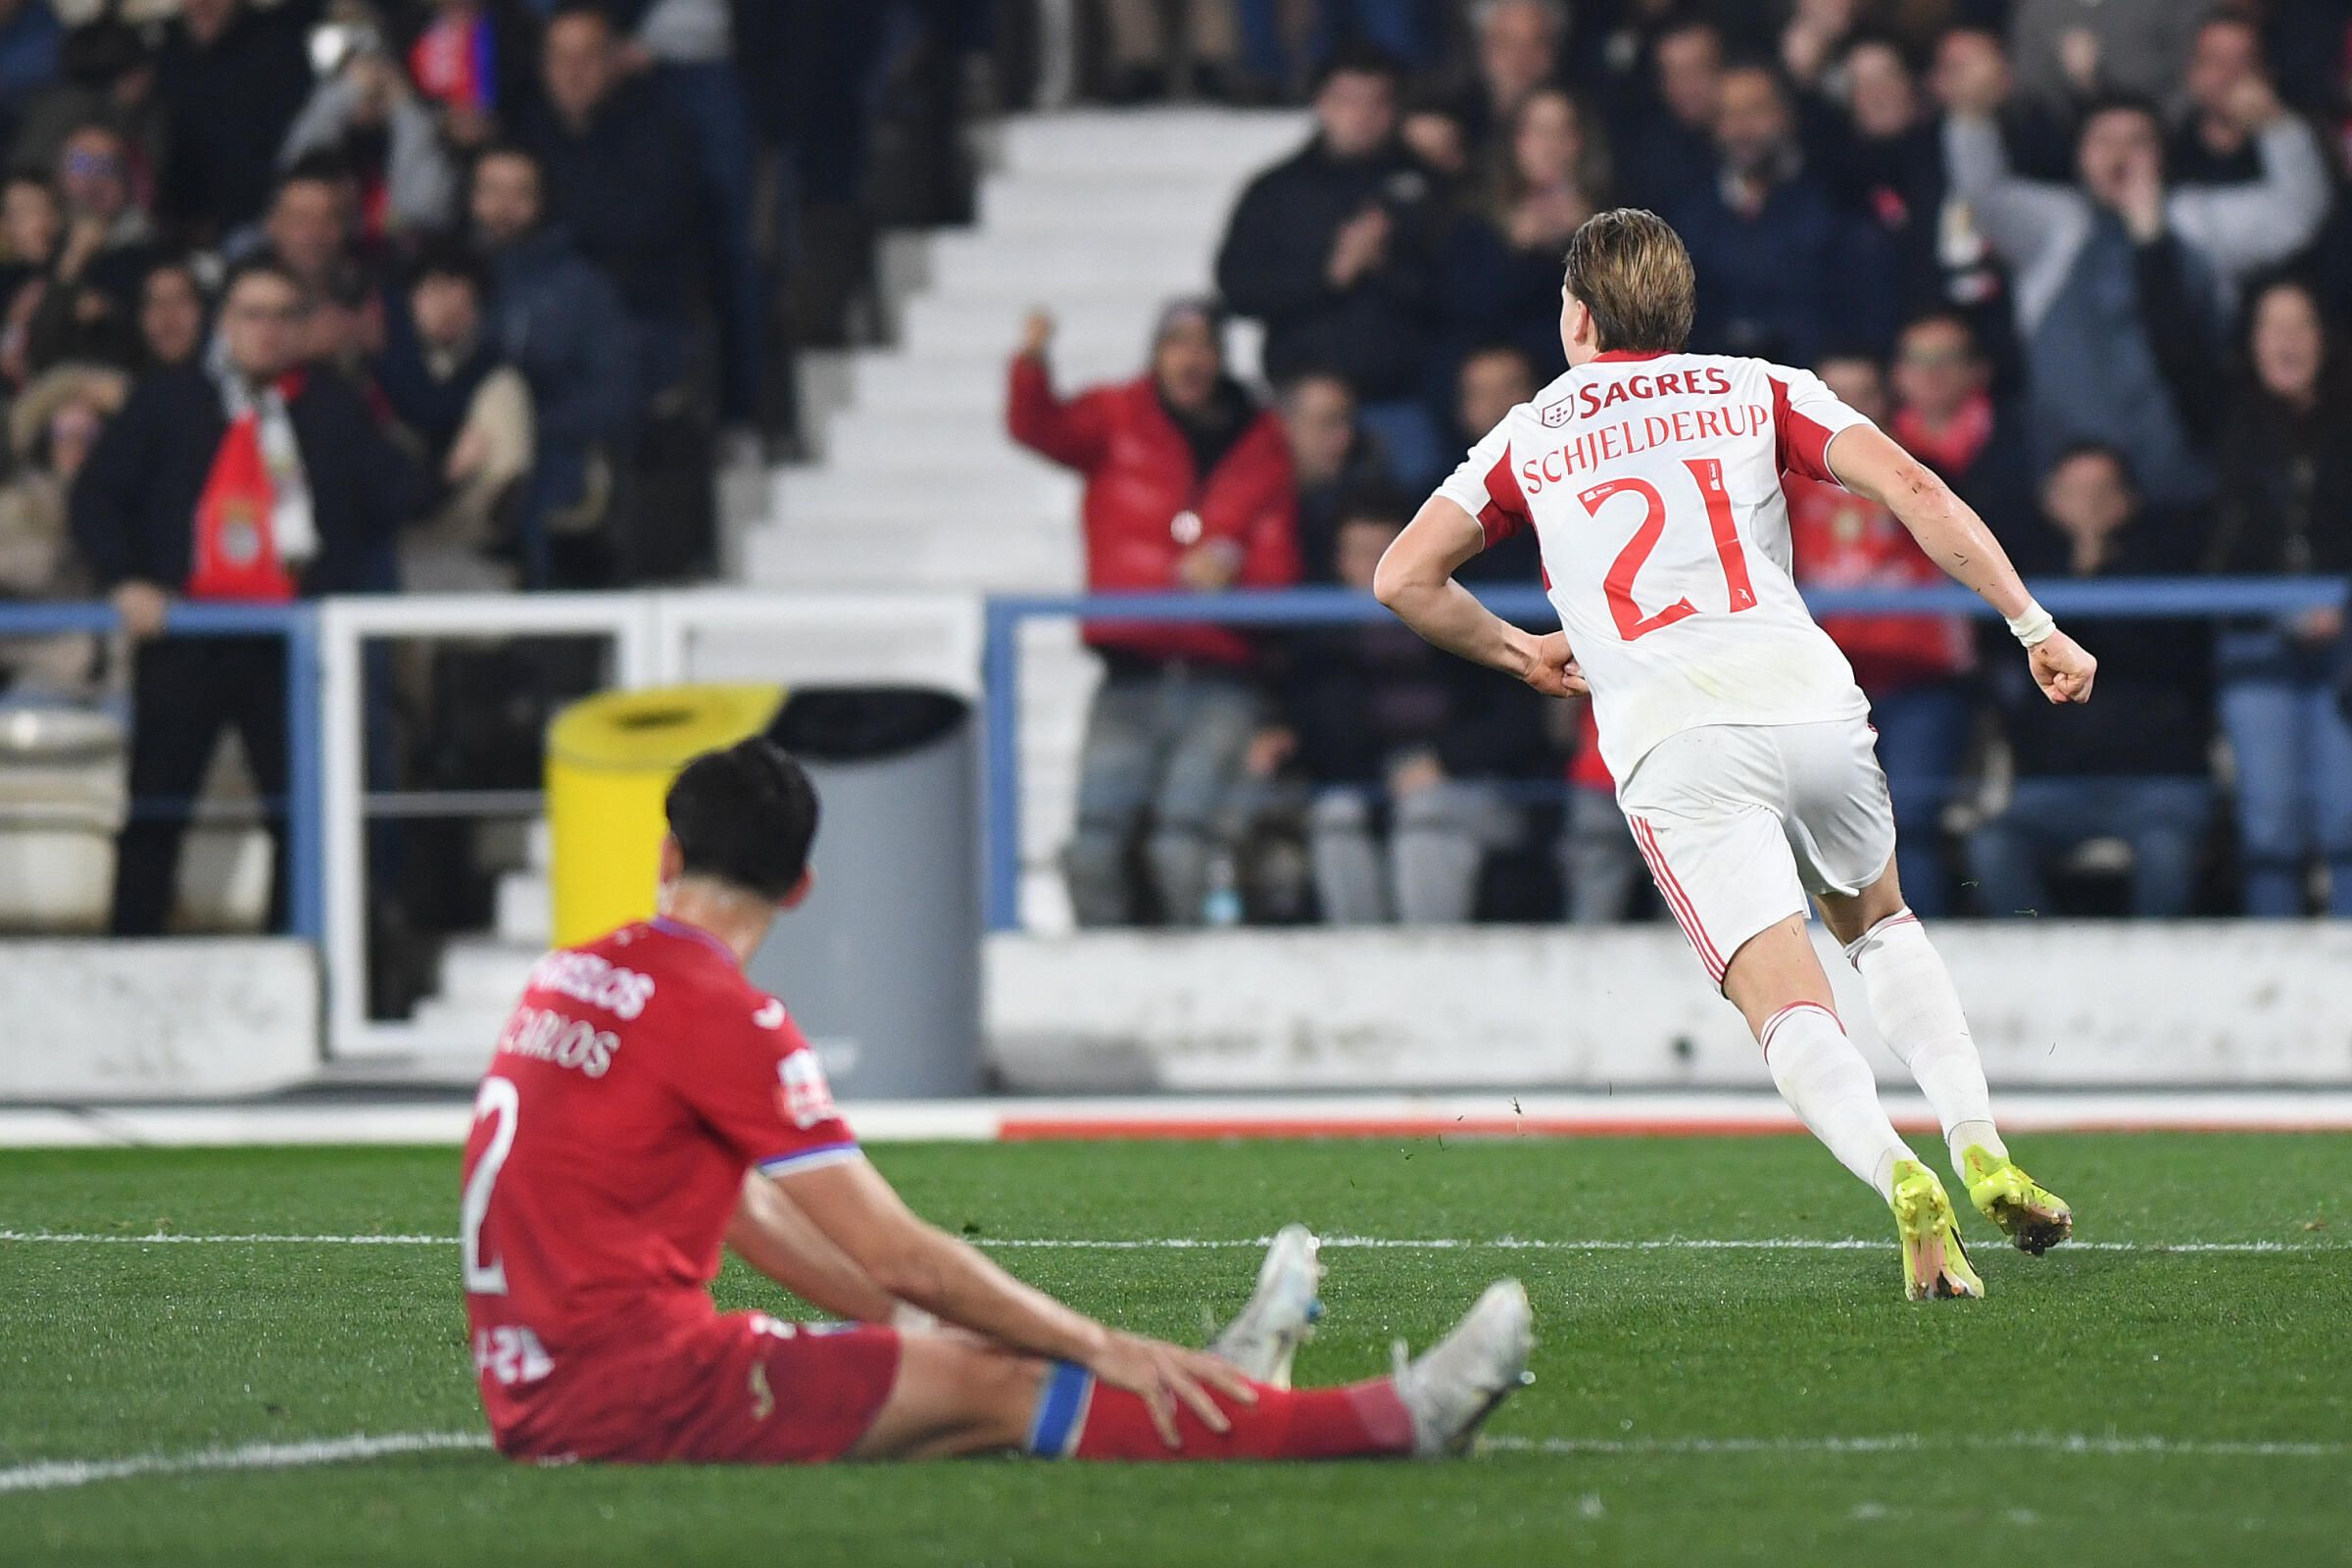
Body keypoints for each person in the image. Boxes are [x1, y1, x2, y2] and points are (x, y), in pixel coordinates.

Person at [1375, 208, 2088, 1300]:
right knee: (1882, 925)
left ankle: (1900, 1175)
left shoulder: (1533, 433)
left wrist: (1522, 654)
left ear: (1575, 316)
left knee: (1784, 1000)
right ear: (1682, 313)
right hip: (1809, 701)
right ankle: (1975, 1134)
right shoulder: (1755, 386)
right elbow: (1917, 491)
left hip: (1674, 734)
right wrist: (2033, 624)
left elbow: (1403, 578)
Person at [462, 737, 1532, 1464]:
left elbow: (752, 1214)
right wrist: (1092, 1340)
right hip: (629, 1396)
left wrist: (918, 1327)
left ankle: (1225, 1382)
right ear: (800, 888)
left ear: (668, 854)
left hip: (541, 1379)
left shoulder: (570, 972)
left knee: (971, 1360)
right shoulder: (722, 1016)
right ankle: (1387, 1423)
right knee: (1007, 1387)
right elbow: (897, 1250)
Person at [69, 255, 425, 934]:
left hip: (288, 649)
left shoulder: (331, 405)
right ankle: (128, 963)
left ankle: (293, 965)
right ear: (223, 322)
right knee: (154, 813)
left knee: (301, 818)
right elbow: (96, 500)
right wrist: (127, 580)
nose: (266, 331)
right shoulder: (169, 398)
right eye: (251, 314)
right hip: (184, 639)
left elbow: (397, 492)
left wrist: (418, 399)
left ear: (302, 327)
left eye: (283, 316)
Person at [1936, 29, 2330, 506]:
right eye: (2104, 140)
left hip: (2188, 488)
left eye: (2138, 140)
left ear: (2162, 156)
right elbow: (1982, 193)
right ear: (2080, 156)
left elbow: (2298, 212)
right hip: (2072, 492)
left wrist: (2274, 126)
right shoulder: (2052, 227)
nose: (2121, 154)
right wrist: (1972, 117)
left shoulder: (2199, 221)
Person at [1006, 299, 1299, 927]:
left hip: (1221, 674)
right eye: (1178, 342)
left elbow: (1279, 573)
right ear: (1157, 353)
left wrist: (1234, 580)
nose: (1191, 358)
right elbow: (1041, 429)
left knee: (1183, 843)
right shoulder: (1117, 417)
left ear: (1222, 358)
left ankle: (1189, 989)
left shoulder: (1261, 445)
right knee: (1095, 842)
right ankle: (1104, 981)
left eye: (1204, 344)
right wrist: (1030, 363)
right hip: (1130, 671)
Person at [1278, 489, 1549, 923]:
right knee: (1337, 816)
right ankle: (1362, 965)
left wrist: (1442, 762)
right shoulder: (1322, 641)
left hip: (1468, 786)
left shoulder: (1465, 616)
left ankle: (1428, 964)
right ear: (1339, 560)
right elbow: (1323, 737)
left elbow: (1515, 721)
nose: (1373, 568)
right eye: (1360, 553)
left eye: (1386, 551)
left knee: (1427, 815)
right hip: (1370, 786)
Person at [1965, 444, 2211, 920]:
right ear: (2049, 500)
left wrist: (2101, 566)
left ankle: (2156, 972)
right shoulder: (2017, 579)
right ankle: (2043, 973)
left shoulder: (2173, 565)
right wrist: (2075, 568)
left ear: (2129, 500)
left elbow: (2178, 656)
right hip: (2053, 785)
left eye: (2101, 491)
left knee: (2167, 853)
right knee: (1991, 847)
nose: (2089, 504)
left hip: (2159, 783)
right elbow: (1994, 657)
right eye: (2074, 492)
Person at [1785, 350, 1974, 920]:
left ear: (1884, 402)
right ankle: (1834, 959)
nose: (1844, 408)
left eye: (1859, 394)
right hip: (1819, 685)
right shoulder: (1780, 485)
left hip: (1919, 676)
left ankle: (1925, 946)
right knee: (1822, 826)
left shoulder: (1923, 470)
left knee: (1911, 821)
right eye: (1831, 395)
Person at [1215, 46, 1444, 484]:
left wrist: (1387, 264)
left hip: (1400, 401)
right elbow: (1238, 287)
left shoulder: (1427, 187)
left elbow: (1456, 289)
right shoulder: (1275, 191)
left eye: (1377, 101)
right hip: (1303, 408)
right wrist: (1331, 273)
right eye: (1348, 99)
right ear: (1321, 103)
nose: (1362, 115)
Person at [2206, 277, 2352, 916]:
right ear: (2252, 342)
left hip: (2345, 641)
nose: (2287, 341)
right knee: (2268, 823)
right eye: (2272, 325)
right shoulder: (2222, 417)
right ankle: (2272, 971)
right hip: (2254, 634)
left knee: (2347, 819)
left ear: (2325, 339)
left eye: (2301, 324)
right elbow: (2174, 345)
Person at [467, 143, 634, 581]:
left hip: (552, 464)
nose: (504, 208)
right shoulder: (441, 278)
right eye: (491, 192)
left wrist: (527, 426)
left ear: (541, 202)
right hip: (455, 461)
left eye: (519, 194)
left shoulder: (581, 288)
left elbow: (614, 393)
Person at [1670, 63, 1895, 363]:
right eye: (1728, 115)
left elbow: (1864, 313)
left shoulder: (1836, 199)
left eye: (1755, 111)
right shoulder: (1691, 216)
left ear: (1786, 115)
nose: (1741, 129)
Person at [373, 239, 534, 591]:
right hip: (391, 537)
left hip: (463, 539)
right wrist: (444, 474)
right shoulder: (377, 368)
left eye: (460, 297)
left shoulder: (494, 374)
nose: (448, 308)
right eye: (434, 293)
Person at [1437, 85, 1600, 389]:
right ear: (1516, 141)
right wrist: (1515, 249)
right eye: (1539, 132)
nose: (1550, 146)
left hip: (1581, 380)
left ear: (1580, 142)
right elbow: (1463, 313)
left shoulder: (1616, 220)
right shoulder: (1475, 218)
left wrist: (1588, 240)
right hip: (1496, 375)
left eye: (1562, 133)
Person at [0, 360, 121, 700]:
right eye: (64, 434)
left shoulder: (126, 507)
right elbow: (22, 567)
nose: (75, 446)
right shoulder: (19, 502)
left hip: (116, 681)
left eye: (88, 435)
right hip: (35, 677)